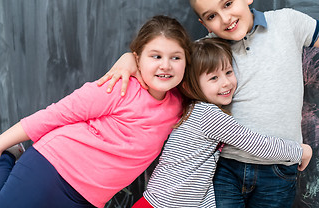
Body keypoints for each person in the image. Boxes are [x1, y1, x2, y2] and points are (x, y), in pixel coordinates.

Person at [97, 0, 319, 207]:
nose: (225, 19)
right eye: (212, 16)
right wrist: (130, 59)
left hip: (279, 168)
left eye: (228, 4)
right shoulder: (202, 52)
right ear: (204, 24)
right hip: (226, 167)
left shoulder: (288, 21)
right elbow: (161, 65)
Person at [0, 15, 192, 208]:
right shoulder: (117, 87)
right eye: (156, 56)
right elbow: (54, 115)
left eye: (175, 57)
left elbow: (211, 56)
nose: (166, 65)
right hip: (51, 169)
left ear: (186, 61)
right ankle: (3, 153)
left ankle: (7, 154)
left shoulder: (179, 104)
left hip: (89, 199)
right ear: (137, 58)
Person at [130, 38, 312, 208]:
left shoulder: (193, 110)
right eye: (213, 78)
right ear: (189, 86)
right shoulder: (207, 115)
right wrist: (299, 151)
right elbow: (255, 143)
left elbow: (201, 173)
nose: (226, 83)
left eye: (228, 72)